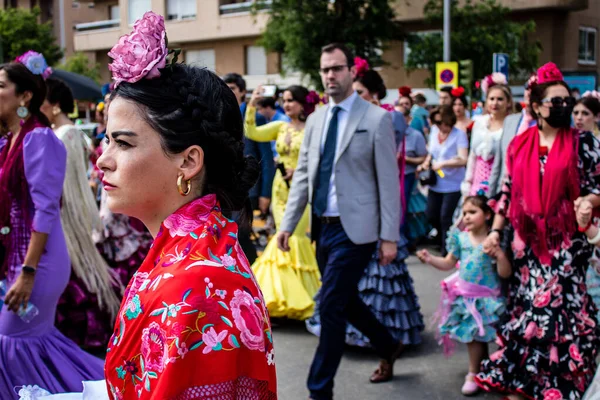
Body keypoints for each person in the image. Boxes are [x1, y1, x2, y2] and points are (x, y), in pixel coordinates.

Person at [98, 12, 277, 399]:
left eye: (123, 143)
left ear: (188, 161)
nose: (103, 159)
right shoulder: (190, 251)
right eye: (107, 140)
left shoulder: (196, 285)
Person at [277, 43, 404, 399]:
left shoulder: (376, 119)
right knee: (346, 301)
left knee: (330, 304)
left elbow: (388, 182)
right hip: (323, 227)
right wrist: (287, 225)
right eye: (325, 70)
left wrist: (389, 237)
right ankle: (387, 343)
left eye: (336, 68)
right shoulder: (316, 119)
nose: (330, 75)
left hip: (358, 229)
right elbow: (302, 175)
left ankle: (319, 390)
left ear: (351, 71)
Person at [477, 62, 600, 400]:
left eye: (568, 101)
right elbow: (507, 191)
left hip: (568, 244)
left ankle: (557, 386)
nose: (565, 108)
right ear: (536, 107)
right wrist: (494, 232)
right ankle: (529, 383)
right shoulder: (519, 145)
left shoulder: (584, 142)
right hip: (528, 246)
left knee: (556, 314)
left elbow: (597, 185)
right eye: (555, 102)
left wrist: (588, 201)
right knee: (532, 315)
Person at [0, 52, 104, 395]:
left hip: (38, 262)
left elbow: (46, 209)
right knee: (23, 343)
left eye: (0, 86)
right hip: (14, 257)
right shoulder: (7, 141)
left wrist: (27, 272)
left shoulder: (39, 139)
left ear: (25, 96)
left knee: (15, 342)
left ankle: (87, 389)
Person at [306, 60, 424, 348]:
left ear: (373, 94)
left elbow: (384, 171)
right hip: (340, 216)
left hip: (369, 213)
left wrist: (388, 233)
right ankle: (379, 341)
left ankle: (376, 343)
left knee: (344, 293)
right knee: (343, 293)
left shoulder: (386, 119)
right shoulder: (339, 118)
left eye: (360, 92)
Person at [40, 77, 122, 351]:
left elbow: (67, 182)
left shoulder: (66, 134)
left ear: (52, 104)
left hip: (66, 213)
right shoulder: (63, 132)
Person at [417, 196, 510, 396]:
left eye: (472, 212)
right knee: (473, 338)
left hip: (488, 299)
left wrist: (500, 256)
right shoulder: (460, 238)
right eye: (464, 213)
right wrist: (430, 259)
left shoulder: (493, 241)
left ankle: (489, 368)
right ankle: (473, 372)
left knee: (490, 336)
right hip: (467, 299)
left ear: (487, 215)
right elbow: (449, 263)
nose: (466, 217)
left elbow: (505, 273)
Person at [243, 84, 321, 320]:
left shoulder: (313, 128)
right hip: (280, 189)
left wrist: (300, 171)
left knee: (295, 236)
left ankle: (303, 296)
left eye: (291, 100)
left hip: (302, 189)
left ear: (302, 103)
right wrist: (252, 104)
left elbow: (320, 159)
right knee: (281, 235)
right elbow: (252, 133)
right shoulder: (279, 126)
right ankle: (282, 297)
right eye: (284, 101)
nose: (287, 105)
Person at [223, 72, 274, 264]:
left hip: (250, 188)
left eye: (233, 89)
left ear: (243, 92)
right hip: (227, 188)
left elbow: (266, 157)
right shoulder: (219, 114)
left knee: (243, 237)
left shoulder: (254, 117)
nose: (228, 92)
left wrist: (265, 193)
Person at [419, 106, 469, 255]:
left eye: (443, 122)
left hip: (453, 183)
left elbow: (463, 159)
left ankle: (447, 249)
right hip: (436, 182)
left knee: (445, 217)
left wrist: (444, 163)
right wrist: (426, 163)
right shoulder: (435, 132)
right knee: (431, 214)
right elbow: (431, 153)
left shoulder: (459, 135)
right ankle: (440, 237)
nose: (440, 125)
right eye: (437, 122)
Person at [461, 74, 512, 198]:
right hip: (477, 183)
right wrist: (467, 183)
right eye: (491, 98)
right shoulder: (479, 122)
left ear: (508, 102)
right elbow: (472, 155)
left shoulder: (511, 126)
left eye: (500, 99)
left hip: (500, 183)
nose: (495, 103)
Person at [488, 74, 537, 198]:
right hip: (505, 189)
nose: (530, 92)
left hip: (531, 191)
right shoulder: (510, 121)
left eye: (535, 89)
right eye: (527, 88)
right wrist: (490, 196)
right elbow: (498, 162)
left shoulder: (545, 125)